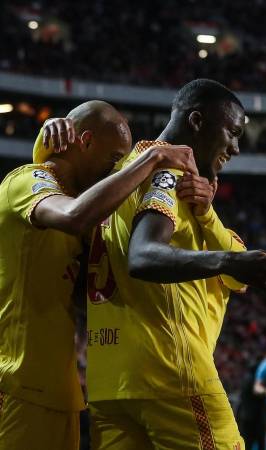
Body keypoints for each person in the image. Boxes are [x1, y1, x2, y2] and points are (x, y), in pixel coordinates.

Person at [85, 79, 266, 450]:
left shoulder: (118, 176)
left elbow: (236, 275)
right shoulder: (168, 173)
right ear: (198, 121)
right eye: (232, 132)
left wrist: (208, 217)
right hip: (170, 373)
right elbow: (144, 256)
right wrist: (230, 261)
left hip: (109, 382)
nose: (235, 147)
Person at [0, 100, 196, 450]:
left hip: (61, 393)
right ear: (85, 142)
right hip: (15, 384)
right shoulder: (26, 181)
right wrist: (152, 158)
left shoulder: (83, 223)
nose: (116, 169)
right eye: (113, 160)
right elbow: (75, 213)